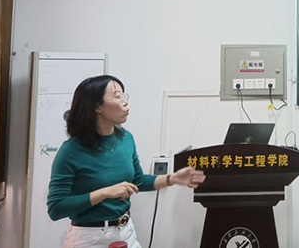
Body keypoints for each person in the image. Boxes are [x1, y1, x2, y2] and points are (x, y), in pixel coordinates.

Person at [47, 75, 205, 248]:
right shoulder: (71, 150)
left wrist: (171, 179)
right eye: (117, 96)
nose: (125, 102)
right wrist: (105, 193)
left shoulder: (126, 139)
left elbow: (137, 181)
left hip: (125, 232)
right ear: (97, 107)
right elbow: (56, 208)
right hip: (88, 238)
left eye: (124, 95)